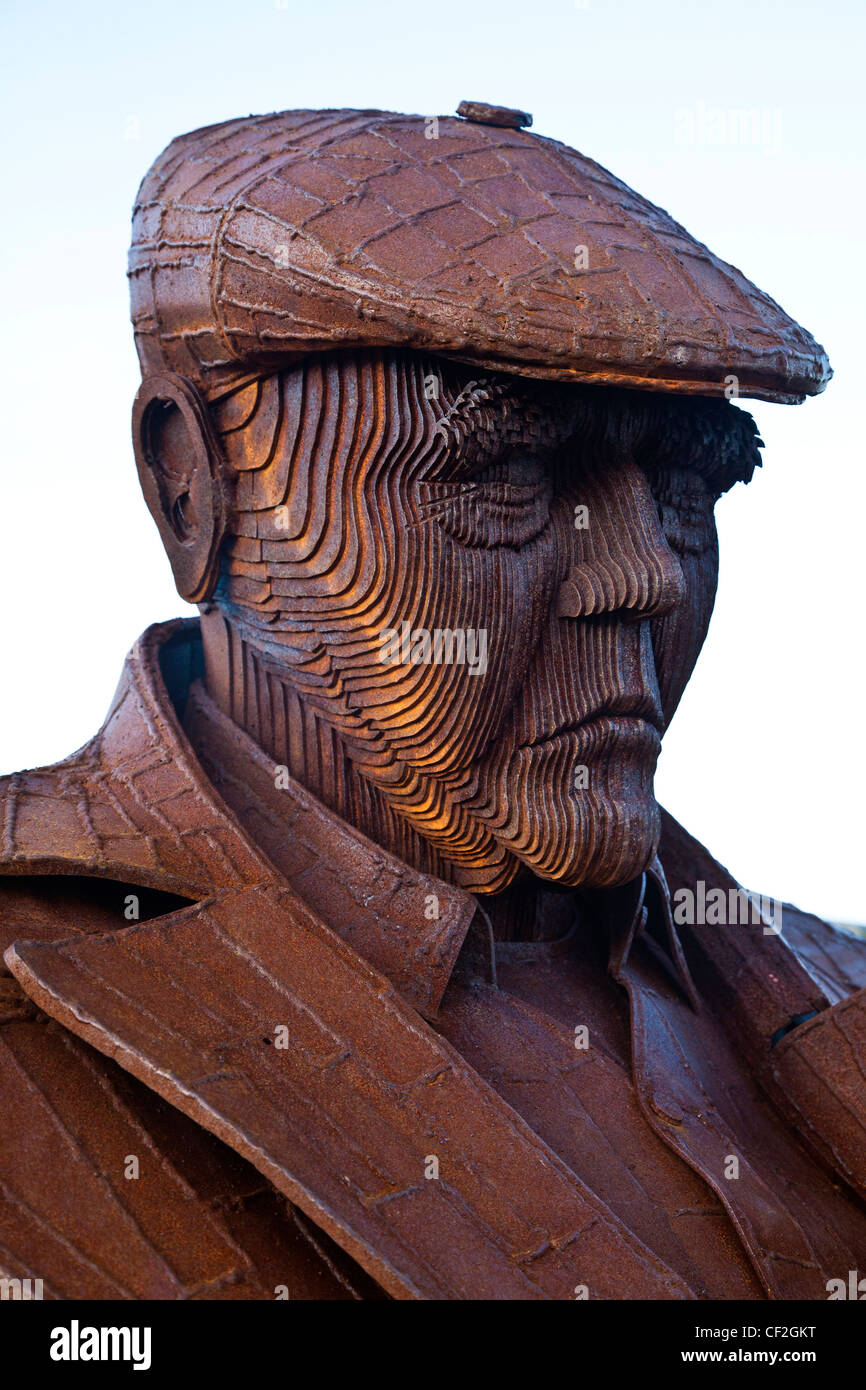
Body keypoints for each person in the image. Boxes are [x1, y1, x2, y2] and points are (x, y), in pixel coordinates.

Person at [2, 102, 865, 1301]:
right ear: (191, 491)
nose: (644, 574)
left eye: (686, 487)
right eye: (507, 474)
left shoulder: (833, 974)